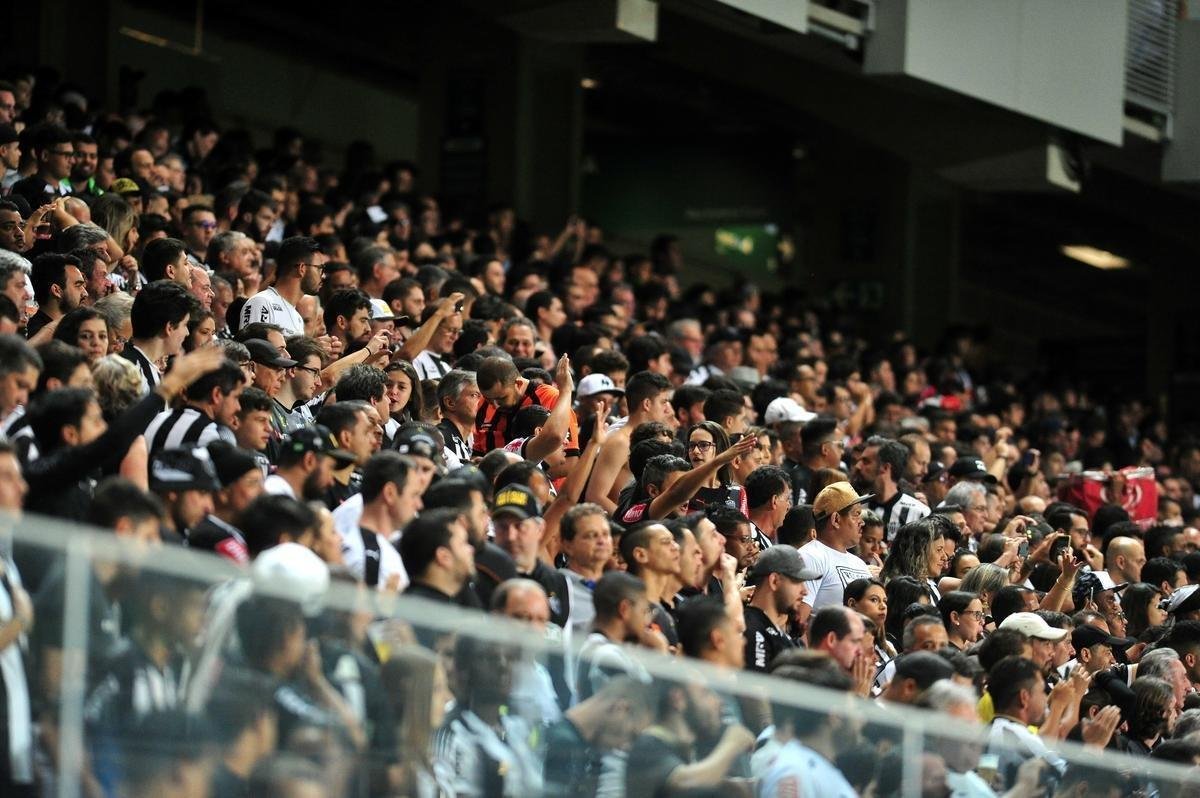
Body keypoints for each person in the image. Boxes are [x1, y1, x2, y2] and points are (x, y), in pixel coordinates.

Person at [342, 451, 422, 592]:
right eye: (414, 495)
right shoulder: (369, 560)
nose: (419, 505)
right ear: (390, 493)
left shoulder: (373, 549)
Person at [798, 481, 873, 624]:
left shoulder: (859, 564)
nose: (862, 522)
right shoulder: (810, 556)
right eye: (856, 514)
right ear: (836, 520)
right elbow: (799, 620)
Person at [142, 357, 243, 451]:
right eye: (236, 397)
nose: (238, 407)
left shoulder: (157, 420)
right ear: (216, 394)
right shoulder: (208, 436)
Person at [743, 546, 817, 672]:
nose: (805, 591)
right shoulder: (750, 629)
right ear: (774, 581)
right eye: (797, 581)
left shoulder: (783, 636)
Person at [240, 236, 325, 335]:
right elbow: (252, 344)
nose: (323, 276)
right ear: (302, 268)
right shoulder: (262, 303)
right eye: (320, 268)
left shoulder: (298, 318)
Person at [122, 280, 195, 395]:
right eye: (185, 325)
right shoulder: (129, 371)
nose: (187, 333)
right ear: (169, 328)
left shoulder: (150, 368)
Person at [856, 435, 930, 541]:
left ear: (885, 467)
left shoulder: (919, 513)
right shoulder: (856, 508)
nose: (858, 466)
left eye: (866, 462)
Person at [27, 252, 88, 338]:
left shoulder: (68, 329)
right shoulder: (38, 337)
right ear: (56, 290)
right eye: (78, 285)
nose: (85, 293)